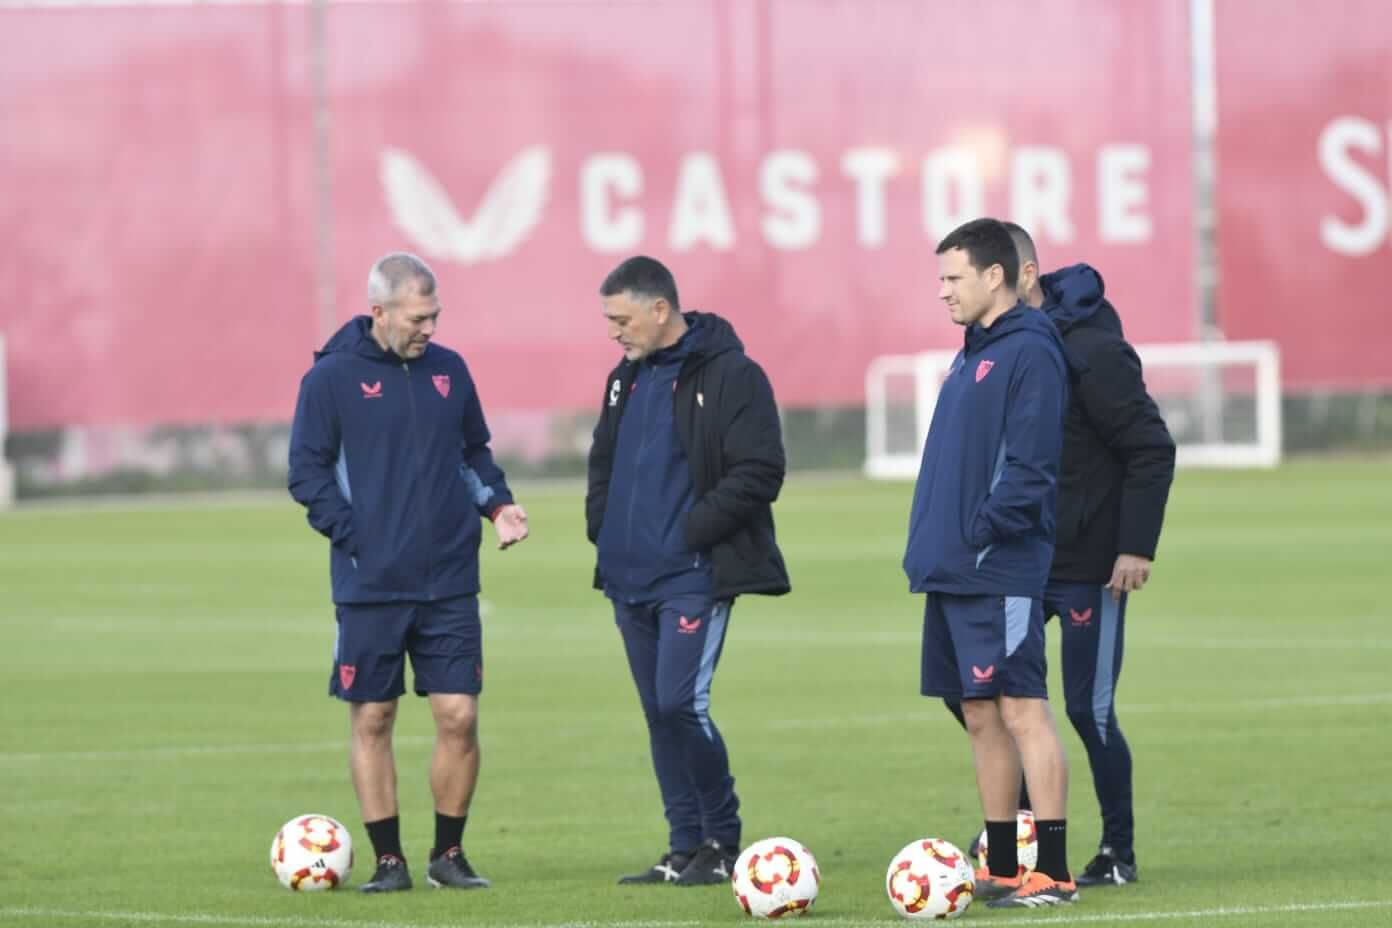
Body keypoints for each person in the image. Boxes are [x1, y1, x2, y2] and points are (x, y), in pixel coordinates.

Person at [288, 252, 529, 893]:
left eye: (436, 315)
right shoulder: (330, 380)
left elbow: (472, 451)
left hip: (450, 579)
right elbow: (306, 474)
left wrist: (499, 506)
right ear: (380, 312)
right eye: (420, 317)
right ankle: (388, 861)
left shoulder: (451, 371)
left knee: (459, 716)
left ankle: (448, 855)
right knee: (373, 719)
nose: (431, 328)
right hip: (371, 586)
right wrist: (358, 537)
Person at [970, 222, 1173, 886]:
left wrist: (1134, 547)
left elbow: (1150, 448)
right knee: (1003, 701)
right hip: (1022, 562)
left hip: (1090, 564)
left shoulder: (1090, 349)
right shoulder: (993, 350)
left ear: (1021, 275)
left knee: (1090, 709)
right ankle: (1019, 833)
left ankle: (1118, 852)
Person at [585, 255, 790, 886]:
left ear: (659, 309)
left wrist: (689, 532)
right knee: (658, 712)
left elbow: (761, 471)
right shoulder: (624, 380)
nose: (614, 333)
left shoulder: (733, 375)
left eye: (621, 319)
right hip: (628, 576)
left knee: (682, 703)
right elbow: (604, 462)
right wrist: (604, 528)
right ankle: (682, 847)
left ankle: (722, 842)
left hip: (693, 573)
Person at [903, 218, 1078, 907]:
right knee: (979, 715)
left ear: (995, 276)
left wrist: (983, 531)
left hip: (995, 567)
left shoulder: (1031, 351)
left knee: (1022, 709)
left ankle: (1055, 872)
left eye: (953, 278)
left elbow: (1032, 468)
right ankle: (1004, 865)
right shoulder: (973, 351)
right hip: (951, 569)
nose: (943, 292)